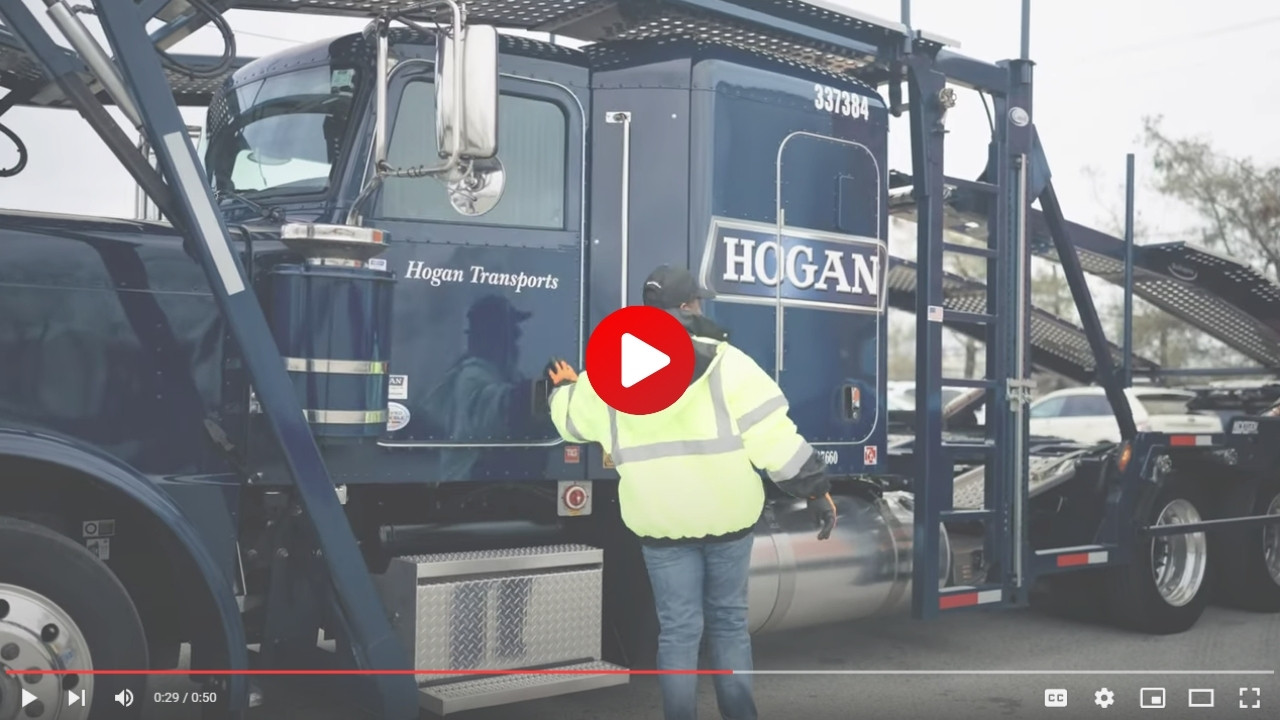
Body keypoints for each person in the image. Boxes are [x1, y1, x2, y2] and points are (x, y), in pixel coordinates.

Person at [545, 265, 837, 720]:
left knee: (679, 631)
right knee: (729, 624)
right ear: (688, 307)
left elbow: (571, 422)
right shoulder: (728, 363)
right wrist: (815, 490)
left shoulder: (609, 373)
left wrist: (565, 388)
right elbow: (774, 440)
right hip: (728, 520)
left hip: (661, 524)